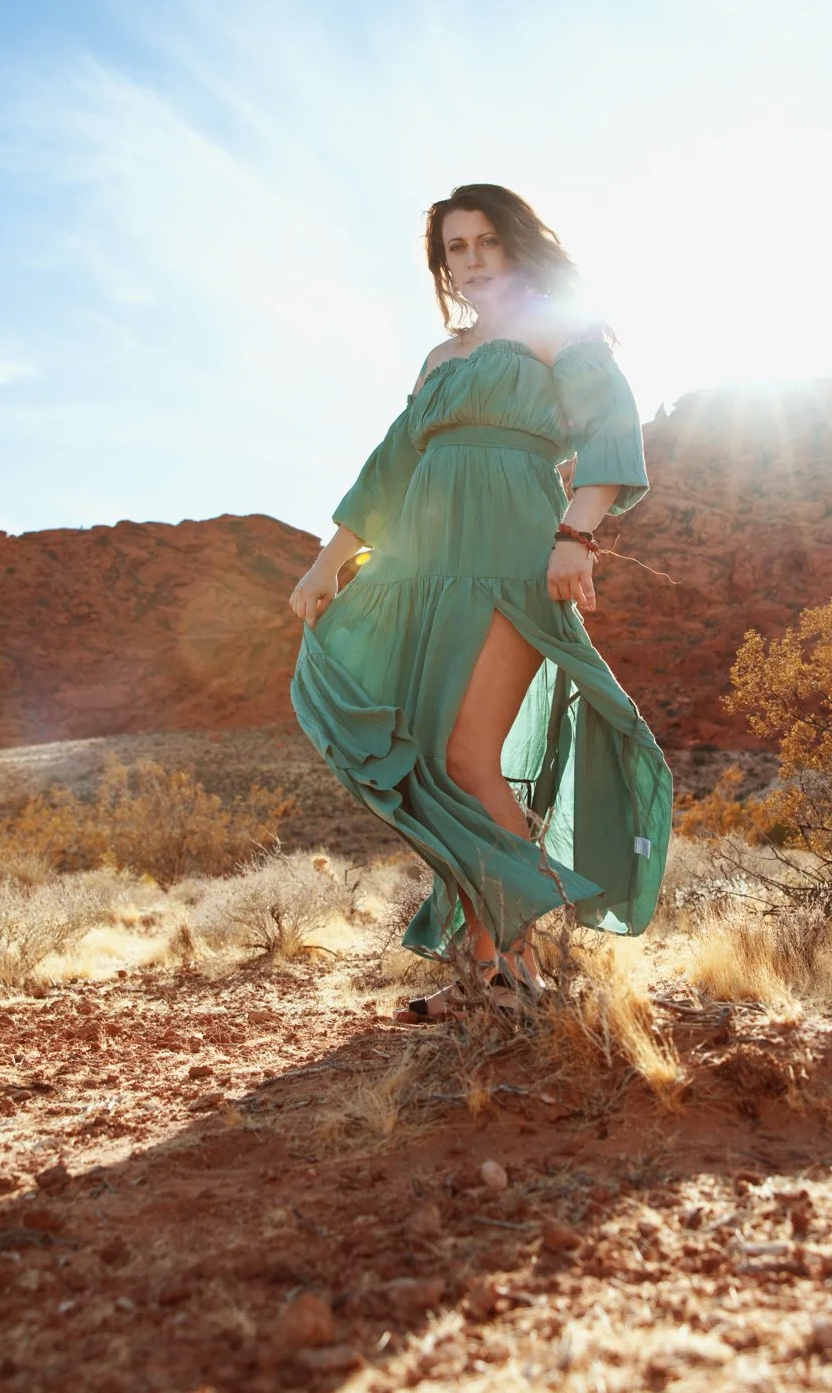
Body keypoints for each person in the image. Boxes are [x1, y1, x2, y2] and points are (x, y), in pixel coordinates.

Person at [288, 184, 672, 1020]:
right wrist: (326, 564)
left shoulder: (555, 329)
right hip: (422, 567)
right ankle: (485, 966)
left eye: (486, 241)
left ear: (516, 245)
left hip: (509, 560)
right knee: (431, 762)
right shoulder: (439, 358)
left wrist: (576, 536)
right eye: (455, 248)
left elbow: (611, 428)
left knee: (467, 754)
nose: (472, 260)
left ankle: (518, 973)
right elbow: (389, 468)